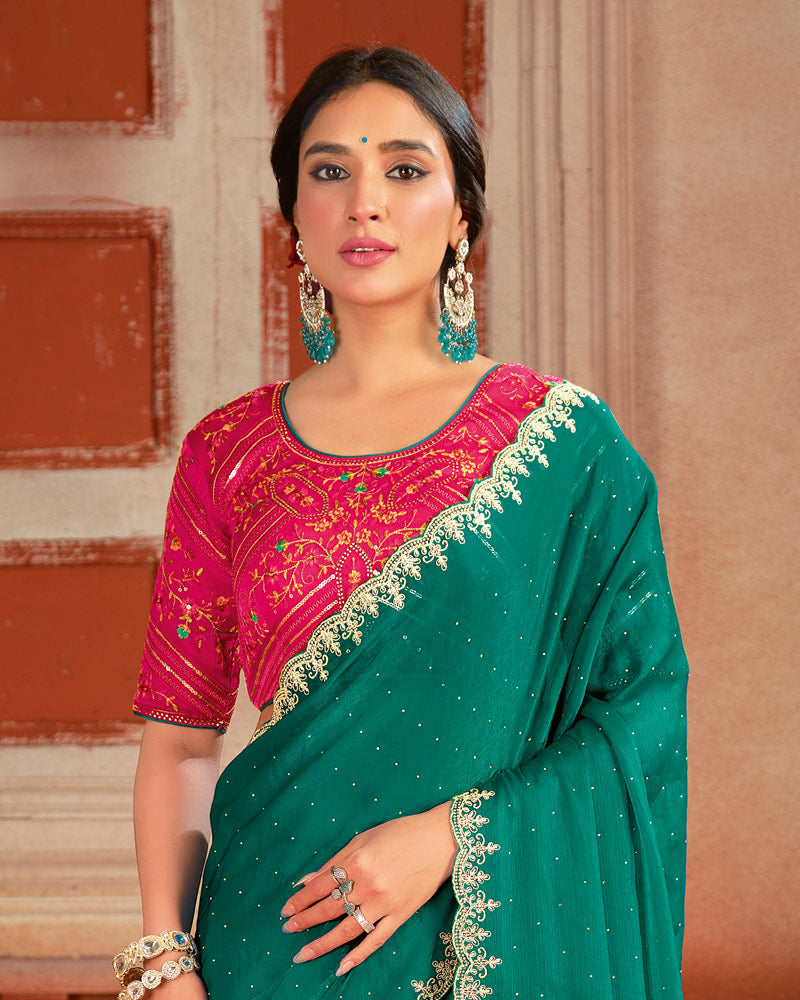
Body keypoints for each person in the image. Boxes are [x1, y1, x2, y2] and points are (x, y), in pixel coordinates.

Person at [122, 47, 688, 1000]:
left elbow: (642, 710)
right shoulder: (228, 452)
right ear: (293, 217)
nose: (364, 203)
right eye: (329, 171)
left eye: (405, 169)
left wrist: (453, 838)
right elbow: (179, 739)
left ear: (462, 213)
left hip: (477, 940)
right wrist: (166, 962)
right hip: (271, 941)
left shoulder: (566, 447)